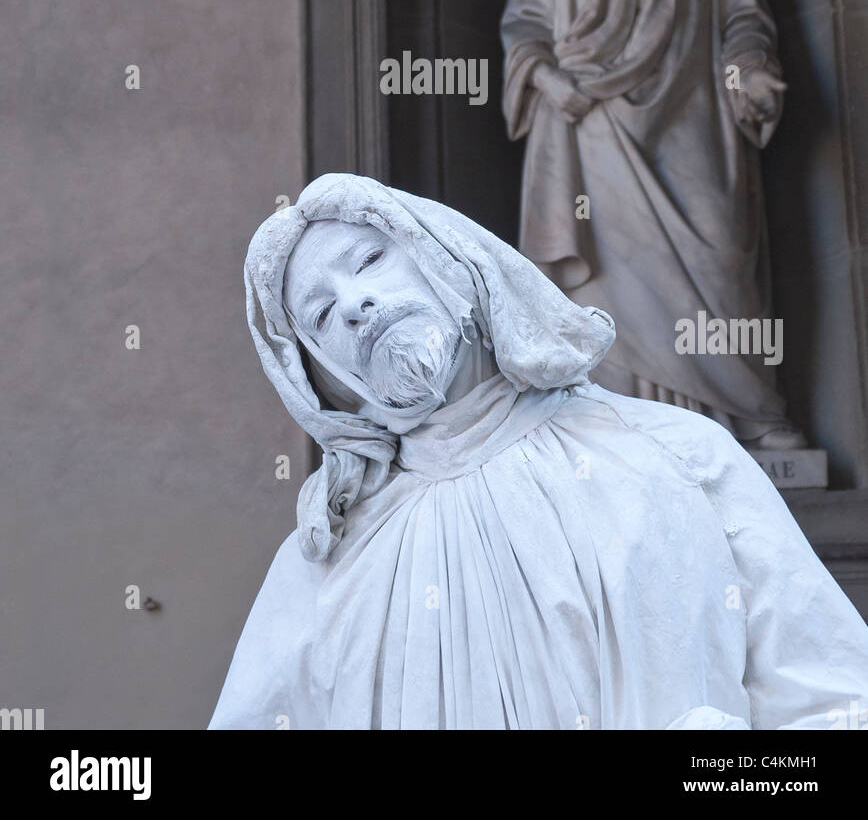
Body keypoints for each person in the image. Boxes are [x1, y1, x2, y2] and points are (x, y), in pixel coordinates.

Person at [208, 173, 868, 731]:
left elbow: (835, 700)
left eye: (368, 261)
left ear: (448, 255)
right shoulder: (324, 563)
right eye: (320, 315)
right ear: (325, 376)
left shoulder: (679, 455)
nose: (355, 303)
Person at [501, 0, 802, 448]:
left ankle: (744, 416)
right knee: (606, 282)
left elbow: (743, 15)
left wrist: (749, 70)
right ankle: (614, 432)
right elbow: (526, 23)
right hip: (590, 127)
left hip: (694, 117)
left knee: (722, 255)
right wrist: (549, 81)